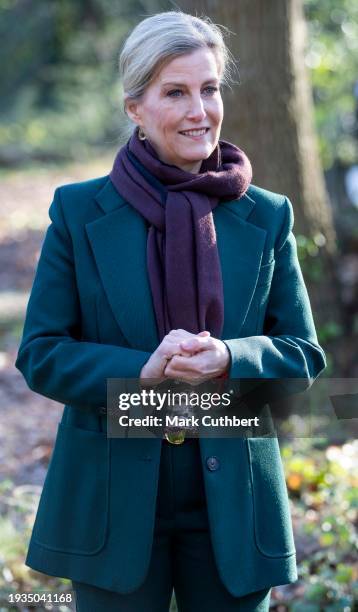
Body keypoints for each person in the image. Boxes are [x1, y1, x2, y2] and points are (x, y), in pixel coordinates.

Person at [15, 10, 326, 612]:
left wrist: (231, 354)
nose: (199, 111)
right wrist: (144, 369)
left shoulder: (267, 216)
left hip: (233, 500)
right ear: (134, 106)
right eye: (175, 93)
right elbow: (42, 354)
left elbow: (302, 355)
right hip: (112, 498)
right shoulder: (79, 213)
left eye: (209, 89)